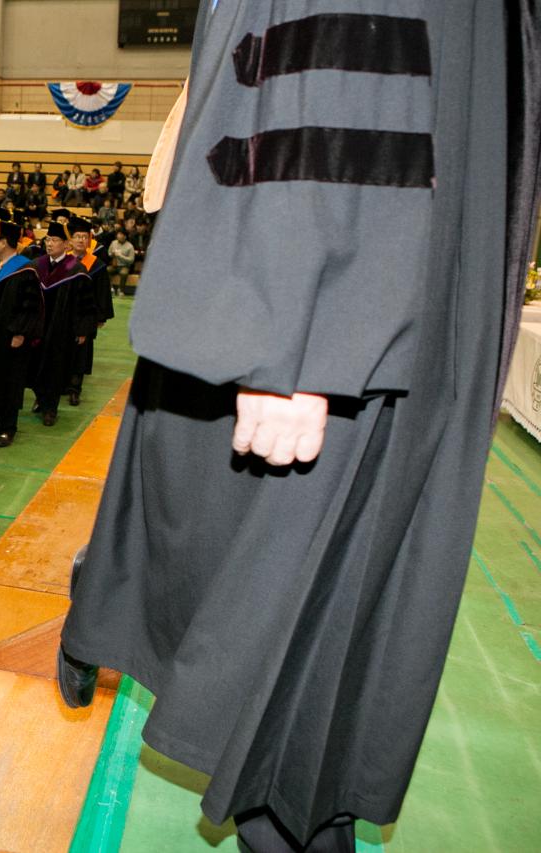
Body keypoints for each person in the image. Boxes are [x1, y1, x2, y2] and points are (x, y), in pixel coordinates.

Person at [59, 3, 540, 851]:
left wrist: (294, 333)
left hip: (336, 310)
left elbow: (345, 42)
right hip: (386, 296)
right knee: (310, 665)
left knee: (293, 647)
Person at [0, 218, 43, 447]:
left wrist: (19, 333)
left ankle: (9, 426)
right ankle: (0, 421)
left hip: (13, 338)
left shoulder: (25, 269)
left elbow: (31, 306)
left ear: (5, 242)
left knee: (11, 381)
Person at [30, 221, 95, 426]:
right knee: (36, 366)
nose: (50, 244)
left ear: (66, 244)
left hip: (61, 330)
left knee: (55, 369)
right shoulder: (36, 265)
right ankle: (40, 397)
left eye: (55, 240)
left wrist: (83, 329)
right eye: (48, 239)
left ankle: (51, 408)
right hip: (38, 328)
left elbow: (85, 304)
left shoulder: (75, 269)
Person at [65, 217, 112, 407]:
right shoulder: (64, 261)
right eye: (77, 237)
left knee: (81, 353)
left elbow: (102, 293)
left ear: (89, 240)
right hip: (64, 315)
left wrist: (100, 317)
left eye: (84, 237)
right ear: (71, 240)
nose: (80, 241)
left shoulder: (97, 265)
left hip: (85, 316)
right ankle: (61, 385)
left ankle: (75, 389)